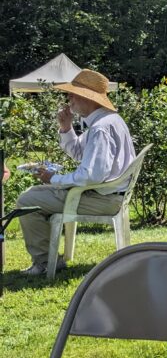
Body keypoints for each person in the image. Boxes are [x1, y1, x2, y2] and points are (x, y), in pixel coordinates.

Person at [16, 69, 135, 276]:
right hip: (109, 196)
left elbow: (91, 176)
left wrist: (55, 179)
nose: (68, 99)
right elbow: (80, 154)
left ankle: (44, 262)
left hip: (103, 199)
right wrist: (66, 128)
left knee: (27, 200)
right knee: (35, 193)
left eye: (72, 94)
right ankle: (46, 258)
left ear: (87, 97)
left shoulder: (100, 128)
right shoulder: (108, 121)